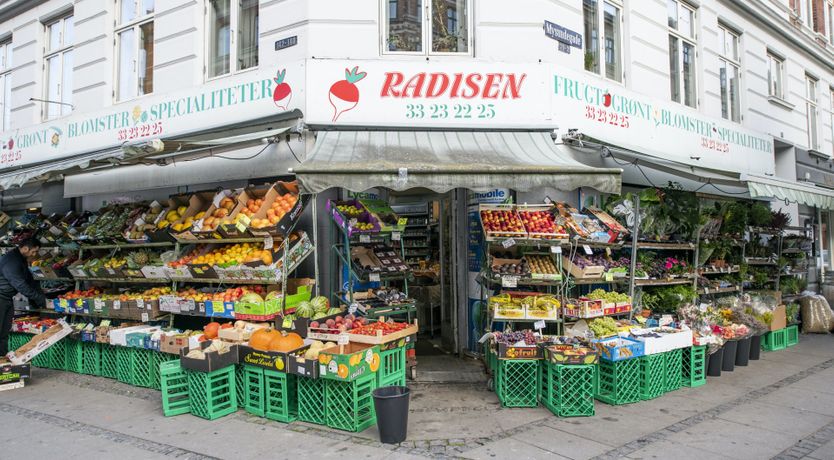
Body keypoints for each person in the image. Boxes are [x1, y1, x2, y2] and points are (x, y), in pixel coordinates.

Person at [0, 237, 46, 356]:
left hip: (6, 298)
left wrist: (39, 296)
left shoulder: (21, 258)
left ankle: (2, 361)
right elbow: (20, 284)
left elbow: (28, 279)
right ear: (25, 248)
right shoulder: (12, 261)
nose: (35, 254)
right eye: (34, 251)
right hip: (1, 298)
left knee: (4, 332)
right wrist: (38, 298)